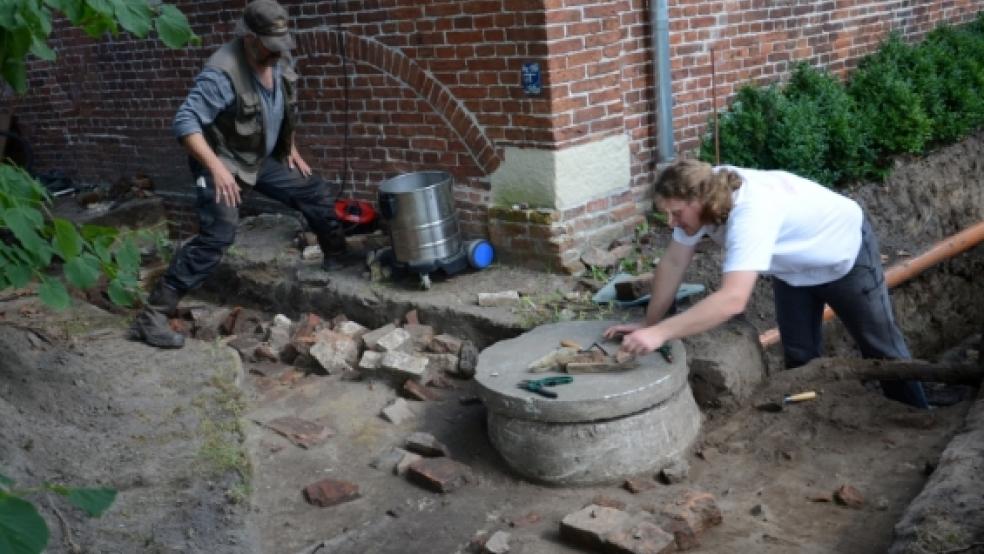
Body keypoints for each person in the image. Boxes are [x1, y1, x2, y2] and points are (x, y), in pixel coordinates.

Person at [604, 159, 928, 408]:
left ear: (698, 200)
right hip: (791, 268)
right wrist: (649, 322)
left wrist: (659, 334)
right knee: (800, 356)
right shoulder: (702, 189)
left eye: (676, 214)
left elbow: (732, 300)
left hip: (842, 254)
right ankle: (804, 416)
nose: (672, 224)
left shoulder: (751, 214)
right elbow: (674, 262)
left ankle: (916, 414)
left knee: (880, 347)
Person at [130, 0, 344, 349]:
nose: (277, 54)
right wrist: (216, 169)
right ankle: (151, 316)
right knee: (218, 236)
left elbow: (284, 106)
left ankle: (338, 257)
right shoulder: (222, 72)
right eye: (269, 47)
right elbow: (184, 123)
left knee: (314, 191)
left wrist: (289, 146)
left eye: (281, 46)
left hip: (258, 155)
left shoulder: (278, 56)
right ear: (248, 37)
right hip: (223, 162)